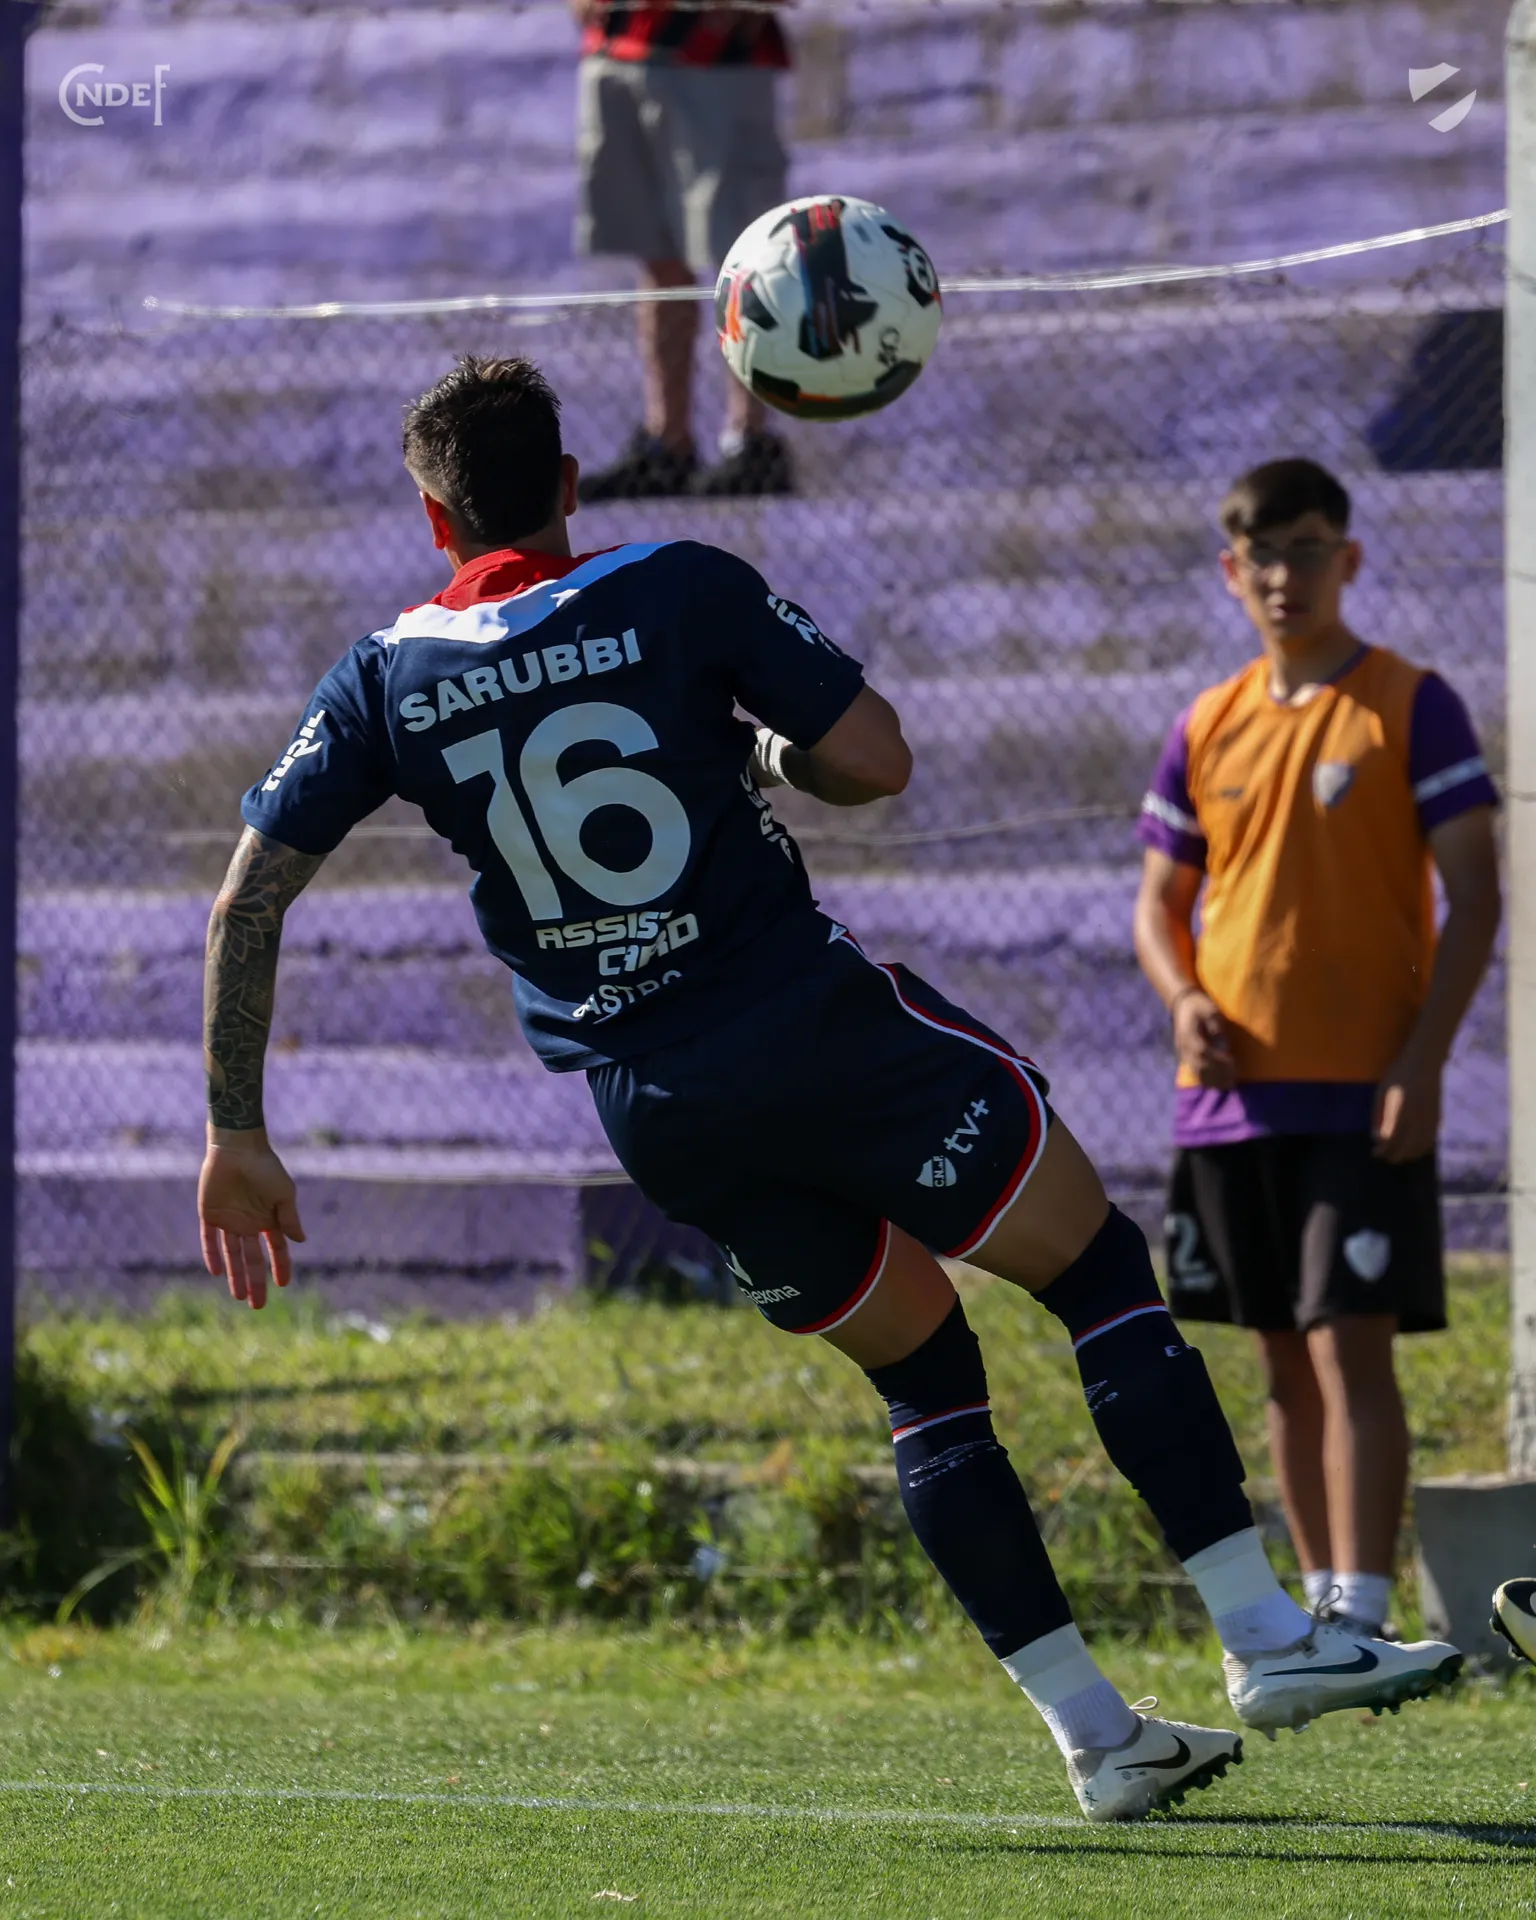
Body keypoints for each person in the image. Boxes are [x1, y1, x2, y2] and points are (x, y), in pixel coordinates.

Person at [198, 364, 1462, 1824]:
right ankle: (1264, 1635)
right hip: (811, 1032)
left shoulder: (380, 676)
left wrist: (238, 1131)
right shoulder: (675, 584)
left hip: (659, 1105)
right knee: (1099, 1271)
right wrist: (759, 748)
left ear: (434, 518)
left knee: (924, 1379)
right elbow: (873, 760)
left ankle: (1099, 1737)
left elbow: (247, 902)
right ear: (569, 485)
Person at [1134, 457, 1502, 1642]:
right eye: (1261, 555)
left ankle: (1366, 1606)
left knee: (1352, 1345)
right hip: (1231, 1103)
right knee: (1281, 1361)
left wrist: (1424, 1062)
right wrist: (1183, 997)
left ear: (1348, 560)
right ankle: (1318, 1623)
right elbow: (1158, 907)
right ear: (1230, 573)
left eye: (1305, 550)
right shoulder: (1207, 722)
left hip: (1361, 1096)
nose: (1283, 575)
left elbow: (1477, 898)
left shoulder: (1411, 704)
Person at [570, 0, 794, 500]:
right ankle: (667, 442)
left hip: (718, 58)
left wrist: (732, 15)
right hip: (617, 46)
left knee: (743, 257)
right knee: (656, 256)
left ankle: (750, 441)